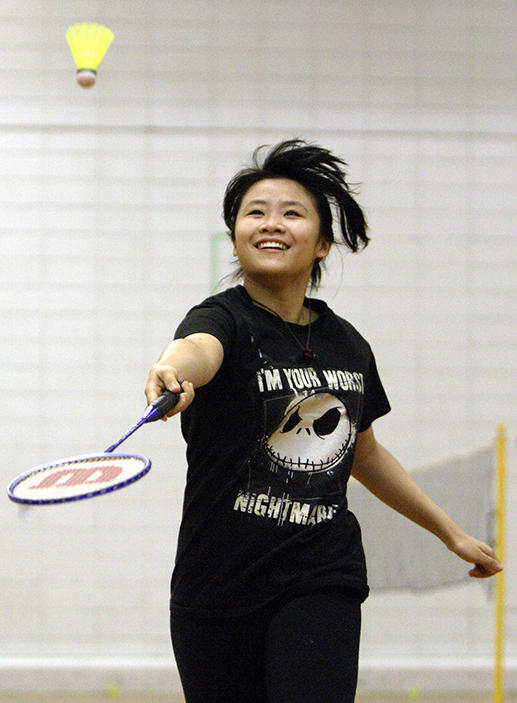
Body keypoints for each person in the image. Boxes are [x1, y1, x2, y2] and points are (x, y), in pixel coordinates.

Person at [145, 139, 502, 703]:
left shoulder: (348, 345)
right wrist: (170, 370)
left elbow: (366, 454)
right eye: (255, 212)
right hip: (216, 583)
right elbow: (196, 350)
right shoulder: (222, 319)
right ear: (236, 233)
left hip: (319, 576)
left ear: (322, 244)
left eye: (292, 213)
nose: (271, 223)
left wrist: (450, 532)